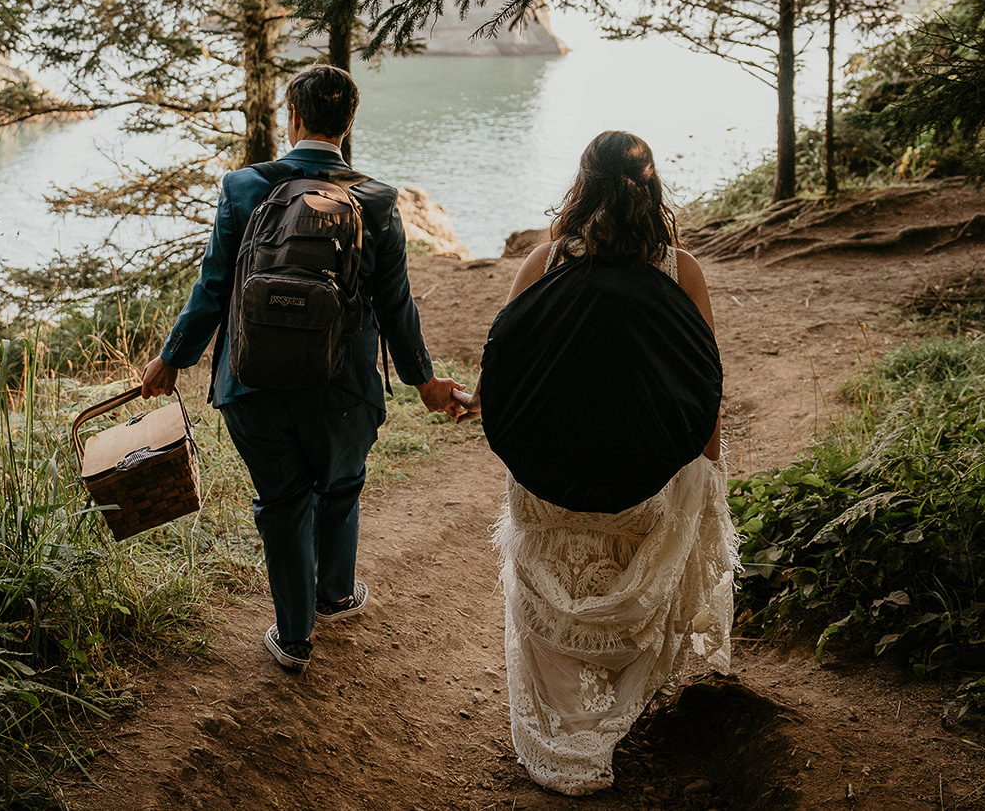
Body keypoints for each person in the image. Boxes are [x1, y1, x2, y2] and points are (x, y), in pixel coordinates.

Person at [139, 64, 469, 673]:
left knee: (282, 500)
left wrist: (170, 360)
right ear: (348, 123)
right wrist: (425, 382)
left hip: (253, 384)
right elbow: (396, 304)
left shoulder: (243, 189)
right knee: (340, 485)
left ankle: (293, 637)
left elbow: (213, 289)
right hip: (343, 390)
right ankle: (336, 595)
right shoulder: (377, 201)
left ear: (293, 117)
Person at [461, 130, 736, 795]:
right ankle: (608, 717)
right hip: (646, 488)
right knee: (650, 547)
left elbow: (506, 370)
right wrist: (708, 472)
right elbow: (704, 387)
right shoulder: (681, 270)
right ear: (653, 188)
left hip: (552, 485)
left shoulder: (543, 262)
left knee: (557, 589)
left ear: (581, 185)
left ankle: (565, 732)